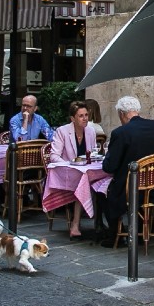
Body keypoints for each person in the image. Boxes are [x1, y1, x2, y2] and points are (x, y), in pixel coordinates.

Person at [101, 96, 154, 243]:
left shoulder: (120, 133)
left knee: (102, 192)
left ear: (122, 114)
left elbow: (109, 167)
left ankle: (114, 236)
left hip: (130, 191)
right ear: (137, 111)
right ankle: (141, 232)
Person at [48, 102, 100, 239]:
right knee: (81, 184)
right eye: (81, 116)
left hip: (84, 171)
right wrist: (70, 164)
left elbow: (93, 153)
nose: (85, 119)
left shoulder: (91, 131)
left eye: (86, 115)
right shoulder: (62, 131)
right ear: (72, 119)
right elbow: (53, 156)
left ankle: (99, 224)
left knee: (102, 183)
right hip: (67, 171)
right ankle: (75, 224)